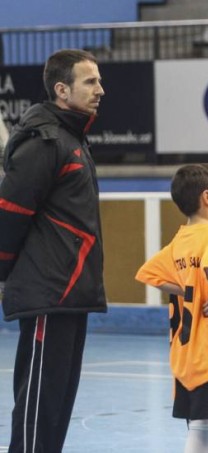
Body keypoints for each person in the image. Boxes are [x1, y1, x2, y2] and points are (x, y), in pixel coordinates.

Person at [0, 49, 107, 453]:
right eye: (90, 81)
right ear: (62, 90)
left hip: (71, 292)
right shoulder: (44, 141)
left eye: (99, 80)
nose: (100, 89)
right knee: (39, 406)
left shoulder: (72, 139)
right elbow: (10, 212)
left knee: (57, 407)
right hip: (49, 291)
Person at [135, 164, 208, 453]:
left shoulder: (179, 241)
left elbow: (148, 274)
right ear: (207, 197)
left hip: (186, 355)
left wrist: (189, 289)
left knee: (199, 423)